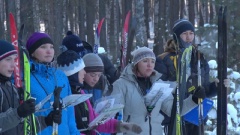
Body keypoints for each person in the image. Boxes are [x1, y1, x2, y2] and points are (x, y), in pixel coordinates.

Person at [110, 46, 205, 135]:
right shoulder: (121, 84)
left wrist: (194, 100)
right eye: (145, 61)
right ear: (136, 64)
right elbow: (113, 116)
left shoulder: (158, 84)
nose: (149, 65)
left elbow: (173, 110)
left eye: (152, 61)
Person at [57, 51, 142, 135]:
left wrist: (119, 126)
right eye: (81, 70)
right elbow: (68, 130)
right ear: (73, 74)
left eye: (99, 75)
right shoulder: (65, 98)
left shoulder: (81, 93)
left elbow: (94, 121)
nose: (84, 72)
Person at [0, 40, 59, 135]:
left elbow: (21, 127)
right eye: (8, 59)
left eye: (14, 59)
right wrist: (18, 113)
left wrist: (46, 121)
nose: (13, 65)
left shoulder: (11, 87)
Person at [26, 32, 80, 135]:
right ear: (32, 52)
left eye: (51, 47)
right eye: (43, 47)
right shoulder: (25, 77)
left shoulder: (61, 75)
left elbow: (69, 112)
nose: (49, 51)